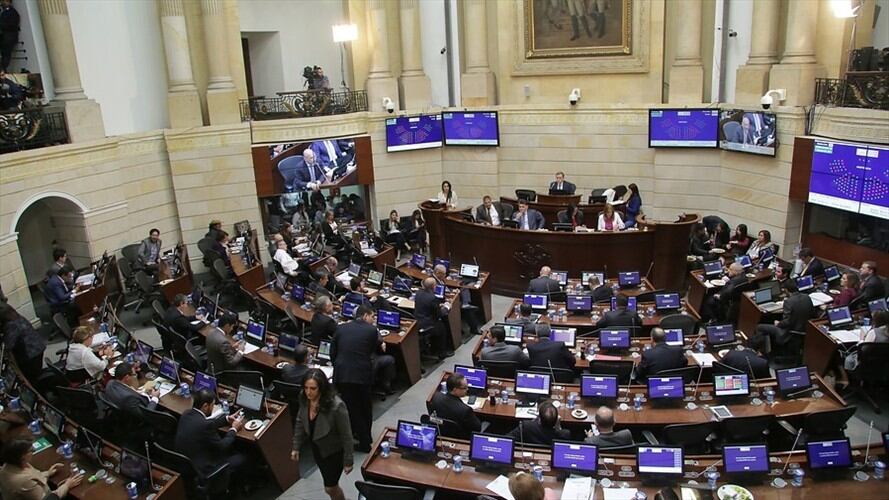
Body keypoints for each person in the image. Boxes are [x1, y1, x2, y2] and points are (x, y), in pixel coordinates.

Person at [331, 305, 395, 451]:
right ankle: (365, 441)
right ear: (365, 316)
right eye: (372, 316)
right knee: (364, 406)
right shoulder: (372, 330)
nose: (373, 320)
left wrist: (340, 367)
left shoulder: (341, 328)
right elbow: (371, 352)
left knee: (352, 407)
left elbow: (333, 352)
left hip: (343, 374)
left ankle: (362, 436)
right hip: (362, 373)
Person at [291, 369, 352, 500]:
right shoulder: (304, 398)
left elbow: (346, 435)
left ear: (321, 387)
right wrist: (296, 446)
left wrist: (348, 460)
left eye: (313, 388)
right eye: (306, 387)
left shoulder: (337, 406)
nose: (308, 392)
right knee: (329, 486)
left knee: (330, 487)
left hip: (334, 452)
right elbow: (300, 421)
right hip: (318, 449)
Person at [175, 389, 246, 485]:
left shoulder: (186, 414)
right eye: (213, 405)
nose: (213, 407)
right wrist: (233, 429)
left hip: (191, 463)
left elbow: (206, 424)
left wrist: (226, 419)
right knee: (243, 456)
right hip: (207, 469)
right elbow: (222, 446)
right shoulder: (204, 425)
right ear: (205, 406)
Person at [0, 438, 84, 500]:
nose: (33, 451)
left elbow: (32, 477)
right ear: (23, 457)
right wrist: (67, 485)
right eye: (31, 450)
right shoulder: (23, 481)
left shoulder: (8, 465)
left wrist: (47, 473)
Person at [751, 279, 814, 354]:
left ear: (786, 290)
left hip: (789, 333)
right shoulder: (807, 297)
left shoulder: (788, 302)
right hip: (804, 330)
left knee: (759, 327)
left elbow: (787, 322)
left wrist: (778, 323)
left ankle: (763, 353)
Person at [837, 310, 889, 387]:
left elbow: (863, 350)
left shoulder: (874, 332)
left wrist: (862, 339)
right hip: (884, 365)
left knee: (838, 353)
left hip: (866, 364)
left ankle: (845, 379)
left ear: (876, 320)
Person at [428, 373, 482, 438]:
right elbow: (478, 428)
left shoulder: (436, 397)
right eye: (464, 388)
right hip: (462, 438)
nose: (467, 389)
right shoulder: (465, 410)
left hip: (442, 434)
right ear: (455, 390)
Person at [0, 304, 45, 381]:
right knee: (36, 375)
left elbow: (8, 346)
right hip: (38, 347)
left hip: (30, 354)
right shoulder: (18, 318)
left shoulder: (11, 325)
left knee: (30, 377)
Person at [414, 278, 454, 360]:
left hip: (417, 321)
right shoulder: (432, 298)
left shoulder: (418, 293)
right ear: (433, 287)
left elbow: (428, 306)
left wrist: (438, 306)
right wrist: (447, 307)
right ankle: (442, 353)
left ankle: (433, 347)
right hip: (427, 324)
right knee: (442, 328)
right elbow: (439, 314)